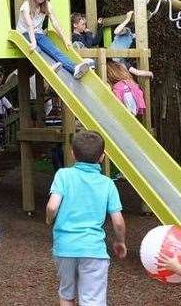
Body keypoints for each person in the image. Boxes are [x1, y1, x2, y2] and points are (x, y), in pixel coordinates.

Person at [46, 130, 127, 306]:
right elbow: (118, 222)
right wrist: (119, 241)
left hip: (65, 247)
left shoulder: (63, 175)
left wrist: (49, 219)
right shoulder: (108, 184)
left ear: (73, 154)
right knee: (93, 299)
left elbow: (52, 206)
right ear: (102, 157)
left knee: (67, 295)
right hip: (93, 249)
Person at [17, 0, 91, 79]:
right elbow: (30, 26)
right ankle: (49, 67)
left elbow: (55, 23)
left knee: (54, 50)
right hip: (24, 33)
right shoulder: (26, 6)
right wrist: (33, 43)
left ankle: (74, 69)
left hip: (38, 33)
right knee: (37, 50)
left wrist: (65, 39)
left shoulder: (47, 5)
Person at [110, 11, 155, 79]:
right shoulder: (127, 31)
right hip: (110, 56)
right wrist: (127, 19)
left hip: (119, 60)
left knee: (131, 73)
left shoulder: (131, 36)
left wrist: (147, 19)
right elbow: (116, 31)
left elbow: (137, 73)